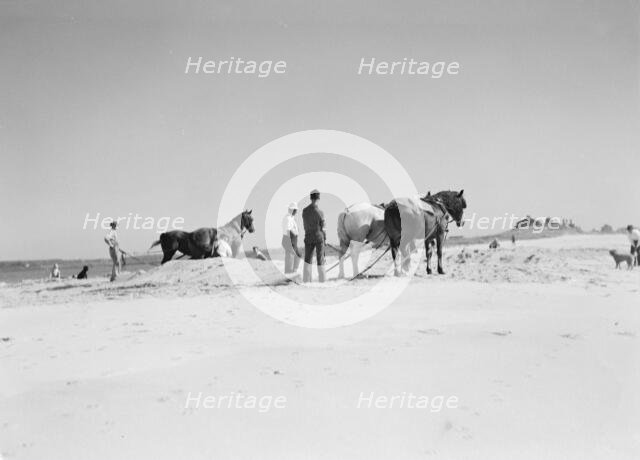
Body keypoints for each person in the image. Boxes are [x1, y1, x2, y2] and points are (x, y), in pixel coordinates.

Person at [302, 189, 326, 282]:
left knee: (307, 260)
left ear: (311, 198)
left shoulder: (304, 211)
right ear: (318, 199)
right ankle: (322, 280)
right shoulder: (320, 212)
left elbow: (305, 224)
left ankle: (306, 280)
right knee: (320, 259)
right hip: (319, 237)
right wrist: (325, 239)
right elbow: (323, 228)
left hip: (308, 236)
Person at [281, 202, 302, 275]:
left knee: (298, 255)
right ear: (291, 210)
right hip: (288, 240)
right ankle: (288, 272)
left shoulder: (291, 217)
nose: (296, 211)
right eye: (295, 210)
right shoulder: (287, 218)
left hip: (293, 240)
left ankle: (293, 271)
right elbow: (288, 231)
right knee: (291, 255)